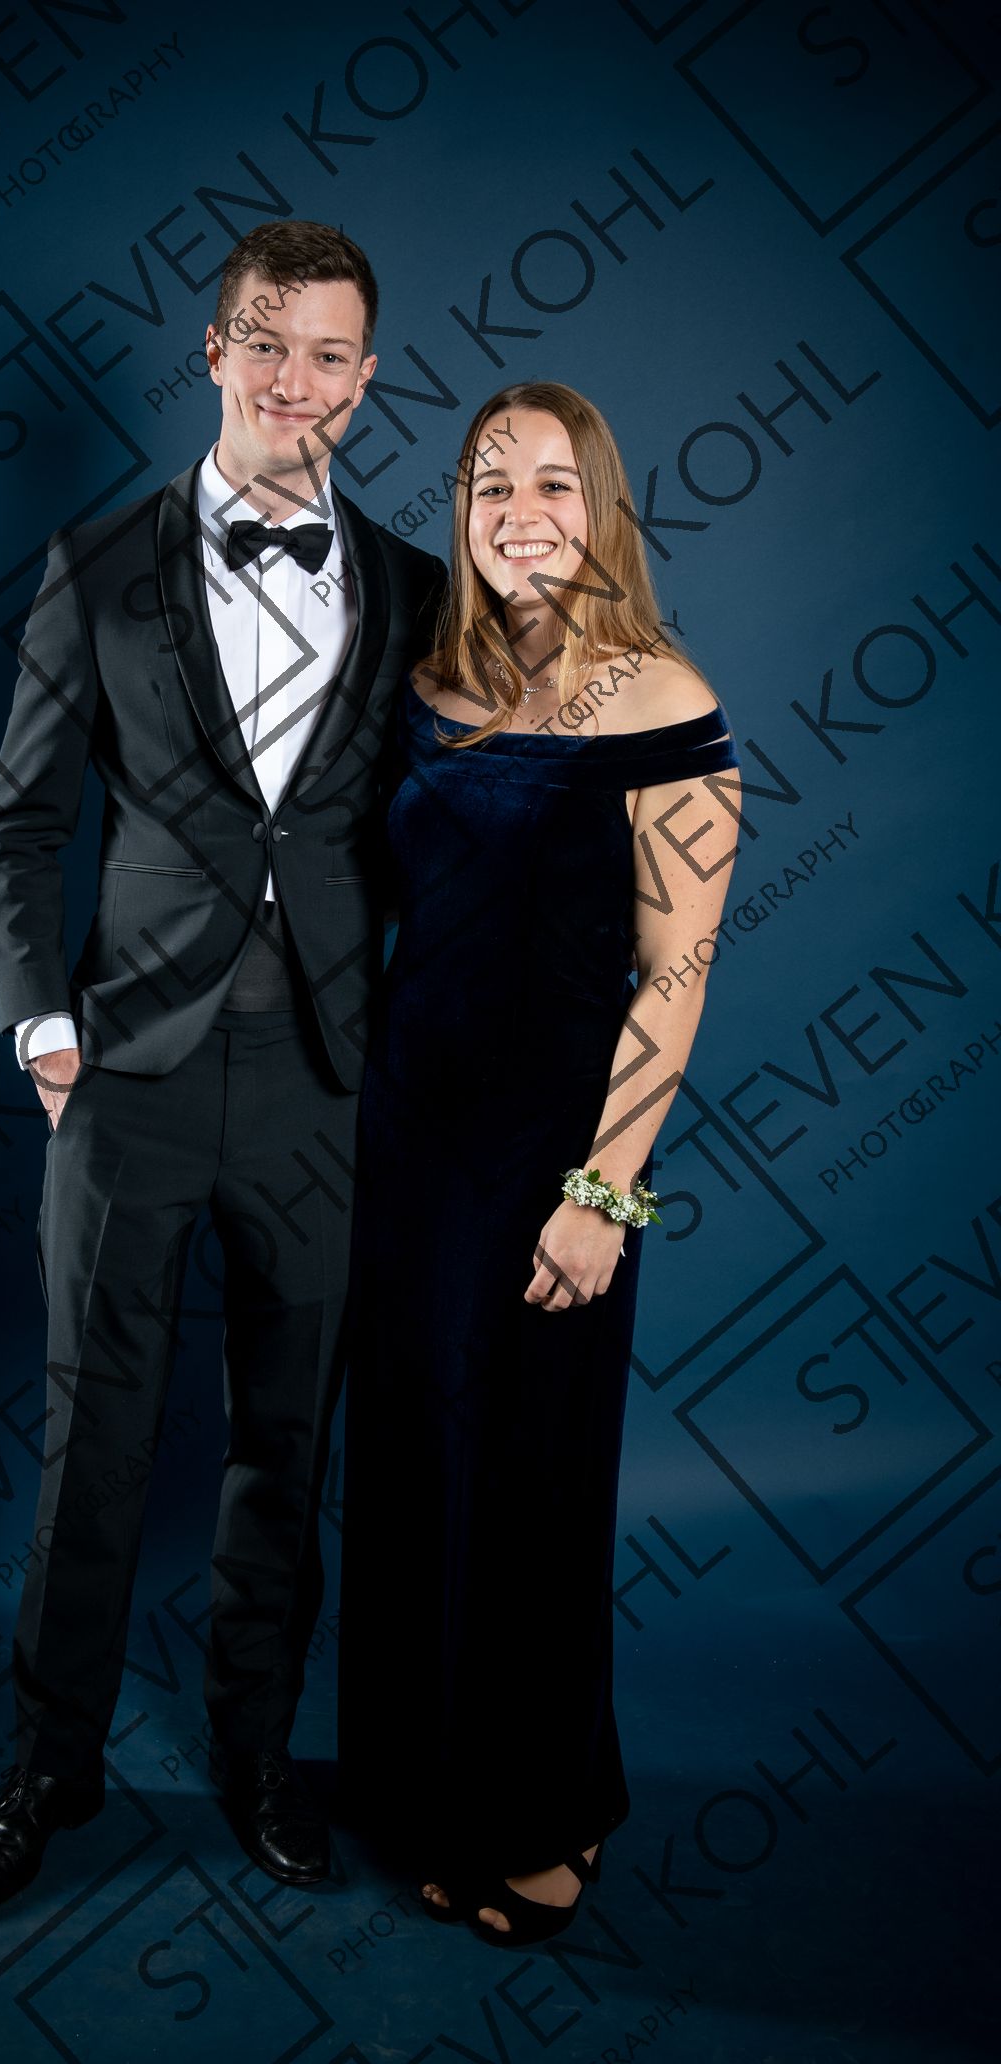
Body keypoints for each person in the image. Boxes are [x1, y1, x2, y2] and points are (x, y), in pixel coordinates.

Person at [0, 221, 445, 1917]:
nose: (296, 381)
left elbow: (454, 830)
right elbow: (17, 823)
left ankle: (257, 1752)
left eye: (329, 355)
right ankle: (48, 1766)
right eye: (267, 345)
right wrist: (44, 1027)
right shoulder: (94, 566)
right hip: (130, 1073)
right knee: (96, 1436)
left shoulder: (417, 589)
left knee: (287, 1445)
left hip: (327, 1080)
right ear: (214, 350)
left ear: (366, 381)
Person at [336, 380, 742, 1945]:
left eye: (554, 484)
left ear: (602, 507)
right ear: (462, 511)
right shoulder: (433, 687)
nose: (520, 513)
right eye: (490, 484)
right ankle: (438, 1795)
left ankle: (546, 1816)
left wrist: (603, 1194)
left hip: (553, 1159)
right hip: (407, 1142)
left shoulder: (667, 701)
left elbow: (676, 977)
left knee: (532, 1481)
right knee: (416, 1472)